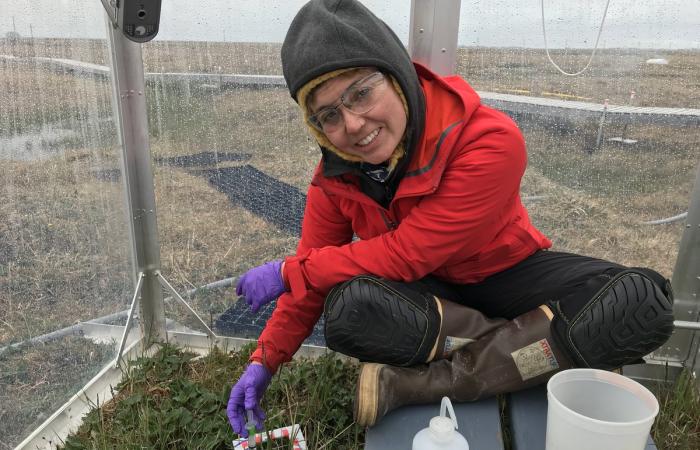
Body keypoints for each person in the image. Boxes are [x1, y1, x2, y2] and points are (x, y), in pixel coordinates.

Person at [226, 0, 674, 436]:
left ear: (397, 77)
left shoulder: (490, 140)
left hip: (506, 274)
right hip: (434, 302)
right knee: (348, 308)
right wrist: (264, 360)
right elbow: (313, 281)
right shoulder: (335, 177)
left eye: (360, 93)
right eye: (328, 116)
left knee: (642, 299)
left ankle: (421, 383)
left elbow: (407, 253)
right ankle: (531, 340)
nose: (354, 124)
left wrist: (288, 270)